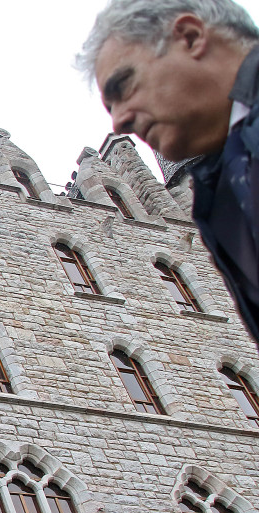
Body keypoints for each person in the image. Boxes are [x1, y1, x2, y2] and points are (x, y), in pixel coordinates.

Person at [78, 0, 259, 344]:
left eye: (124, 86)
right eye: (109, 106)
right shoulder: (218, 195)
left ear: (190, 37)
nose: (119, 121)